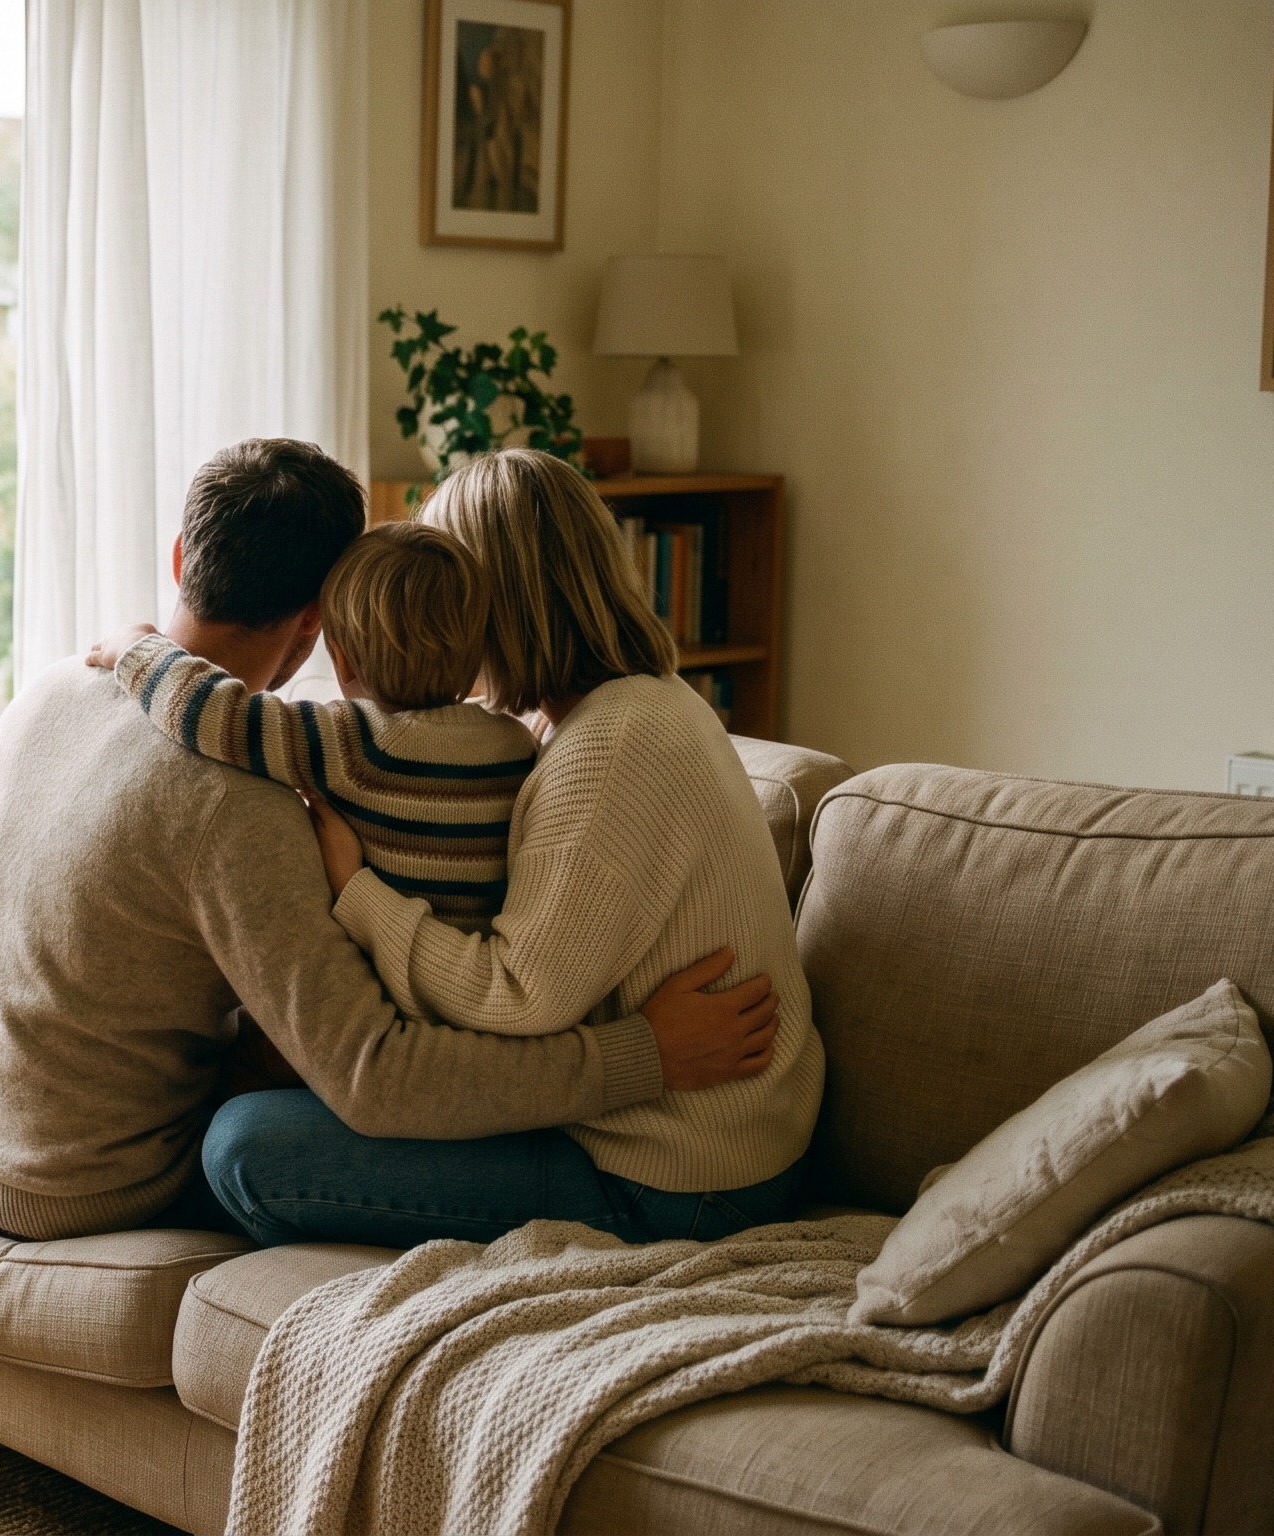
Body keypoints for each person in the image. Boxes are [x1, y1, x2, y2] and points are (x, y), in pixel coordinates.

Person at [0, 437, 779, 1243]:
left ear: (181, 557)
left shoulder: (54, 685)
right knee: (266, 1097)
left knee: (267, 1083)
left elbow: (476, 1012)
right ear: (322, 619)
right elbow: (383, 1070)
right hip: (72, 1184)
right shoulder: (253, 797)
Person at [198, 447, 824, 1248]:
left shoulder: (615, 742)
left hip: (682, 1176)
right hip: (678, 1133)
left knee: (246, 1146)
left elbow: (517, 997)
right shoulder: (604, 713)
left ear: (494, 596)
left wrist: (360, 896)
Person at [88, 521, 536, 940]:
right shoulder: (517, 744)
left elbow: (211, 711)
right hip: (462, 965)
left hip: (389, 971)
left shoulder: (350, 741)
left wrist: (135, 646)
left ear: (341, 659)